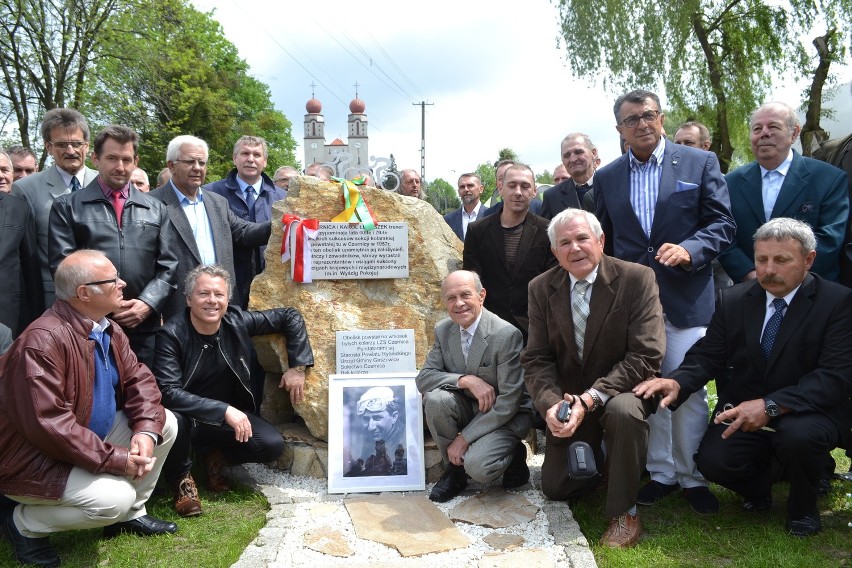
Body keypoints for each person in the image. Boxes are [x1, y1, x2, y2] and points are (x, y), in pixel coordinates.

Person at [635, 218, 852, 536]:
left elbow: (835, 376)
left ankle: (803, 509)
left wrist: (770, 405)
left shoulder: (837, 302)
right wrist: (678, 381)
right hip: (745, 406)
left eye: (781, 260)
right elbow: (709, 355)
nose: (768, 269)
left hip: (809, 410)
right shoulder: (734, 300)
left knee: (798, 437)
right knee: (712, 461)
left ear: (808, 260)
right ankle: (761, 488)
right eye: (761, 259)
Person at [595, 89, 735, 515]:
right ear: (619, 129)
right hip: (633, 306)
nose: (641, 124)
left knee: (688, 391)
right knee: (645, 389)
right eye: (631, 119)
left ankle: (692, 474)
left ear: (662, 118)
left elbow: (724, 223)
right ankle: (661, 473)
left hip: (687, 298)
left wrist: (692, 248)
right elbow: (605, 241)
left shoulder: (699, 163)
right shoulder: (607, 177)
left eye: (648, 115)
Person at [0, 250, 178, 567]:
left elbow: (141, 381)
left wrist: (146, 434)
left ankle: (131, 515)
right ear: (84, 293)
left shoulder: (105, 326)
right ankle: (25, 523)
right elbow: (50, 426)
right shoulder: (42, 342)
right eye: (112, 280)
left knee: (165, 425)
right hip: (34, 460)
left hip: (81, 442)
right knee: (114, 500)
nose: (122, 283)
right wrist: (119, 460)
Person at [522, 208, 665, 547]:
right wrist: (550, 405)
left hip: (626, 388)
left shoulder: (637, 278)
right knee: (556, 487)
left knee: (623, 412)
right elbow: (537, 358)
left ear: (600, 241)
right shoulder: (541, 288)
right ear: (555, 252)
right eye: (565, 243)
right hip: (570, 398)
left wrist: (591, 398)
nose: (575, 249)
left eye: (583, 238)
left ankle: (625, 513)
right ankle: (609, 467)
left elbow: (647, 355)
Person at [153, 264, 313, 517]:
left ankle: (216, 456)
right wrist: (223, 409)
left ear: (228, 299)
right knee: (177, 421)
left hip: (228, 418)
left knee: (271, 445)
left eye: (219, 294)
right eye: (203, 294)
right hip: (189, 418)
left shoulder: (237, 321)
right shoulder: (171, 335)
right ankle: (182, 480)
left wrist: (297, 367)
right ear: (188, 299)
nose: (212, 301)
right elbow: (168, 391)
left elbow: (289, 316)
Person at [49, 125, 178, 366]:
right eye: (112, 158)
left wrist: (148, 303)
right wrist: (107, 306)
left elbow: (169, 265)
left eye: (126, 159)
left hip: (144, 328)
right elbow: (63, 268)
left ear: (136, 161)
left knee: (142, 396)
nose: (120, 166)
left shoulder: (156, 209)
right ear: (96, 158)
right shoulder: (68, 207)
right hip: (89, 328)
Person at [416, 270, 534, 502]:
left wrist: (463, 439)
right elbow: (425, 378)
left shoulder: (506, 334)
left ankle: (513, 454)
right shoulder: (443, 330)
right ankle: (455, 471)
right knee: (435, 399)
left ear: (481, 295)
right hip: (469, 407)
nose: (458, 304)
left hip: (505, 415)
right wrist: (465, 380)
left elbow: (509, 402)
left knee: (479, 469)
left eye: (465, 295)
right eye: (451, 298)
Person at [719, 102, 849, 283]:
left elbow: (830, 239)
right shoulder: (730, 183)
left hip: (812, 292)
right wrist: (749, 273)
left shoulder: (828, 179)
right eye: (757, 129)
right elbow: (724, 235)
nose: (764, 133)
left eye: (773, 126)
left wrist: (787, 277)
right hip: (752, 290)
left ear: (794, 133)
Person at [149, 135, 272, 322]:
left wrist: (282, 224)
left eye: (202, 162)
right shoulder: (151, 204)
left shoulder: (217, 202)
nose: (197, 168)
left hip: (222, 308)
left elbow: (244, 232)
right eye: (190, 161)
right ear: (171, 165)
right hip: (177, 310)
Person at [12, 108, 98, 307]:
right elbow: (26, 255)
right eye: (61, 144)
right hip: (52, 300)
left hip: (103, 297)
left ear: (86, 145)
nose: (70, 151)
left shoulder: (104, 184)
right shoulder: (25, 189)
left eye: (76, 143)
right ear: (48, 147)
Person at [463, 164, 556, 343]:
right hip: (489, 330)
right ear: (501, 189)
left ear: (534, 191)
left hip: (536, 330)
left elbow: (553, 283)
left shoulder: (548, 231)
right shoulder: (477, 231)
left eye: (525, 186)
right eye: (512, 185)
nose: (518, 192)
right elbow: (472, 280)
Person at [205, 136, 286, 309]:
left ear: (264, 161)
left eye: (257, 155)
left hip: (271, 286)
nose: (250, 159)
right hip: (225, 286)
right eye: (245, 153)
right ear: (235, 158)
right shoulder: (210, 193)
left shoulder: (283, 198)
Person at [0, 151, 42, 336]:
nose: (1, 175)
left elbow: (30, 267)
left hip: (12, 318)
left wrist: (38, 319)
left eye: (4, 170)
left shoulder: (20, 208)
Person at [344, 386, 407, 477]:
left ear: (394, 417)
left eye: (377, 418)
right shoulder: (373, 435)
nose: (370, 427)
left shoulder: (407, 440)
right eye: (366, 419)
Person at [540, 133, 596, 219]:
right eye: (566, 155)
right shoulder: (552, 196)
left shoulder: (612, 184)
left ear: (593, 153)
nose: (573, 159)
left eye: (578, 152)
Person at [443, 172, 487, 241]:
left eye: (470, 185)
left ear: (481, 189)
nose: (466, 189)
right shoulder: (448, 220)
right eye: (462, 187)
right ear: (458, 192)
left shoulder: (491, 215)